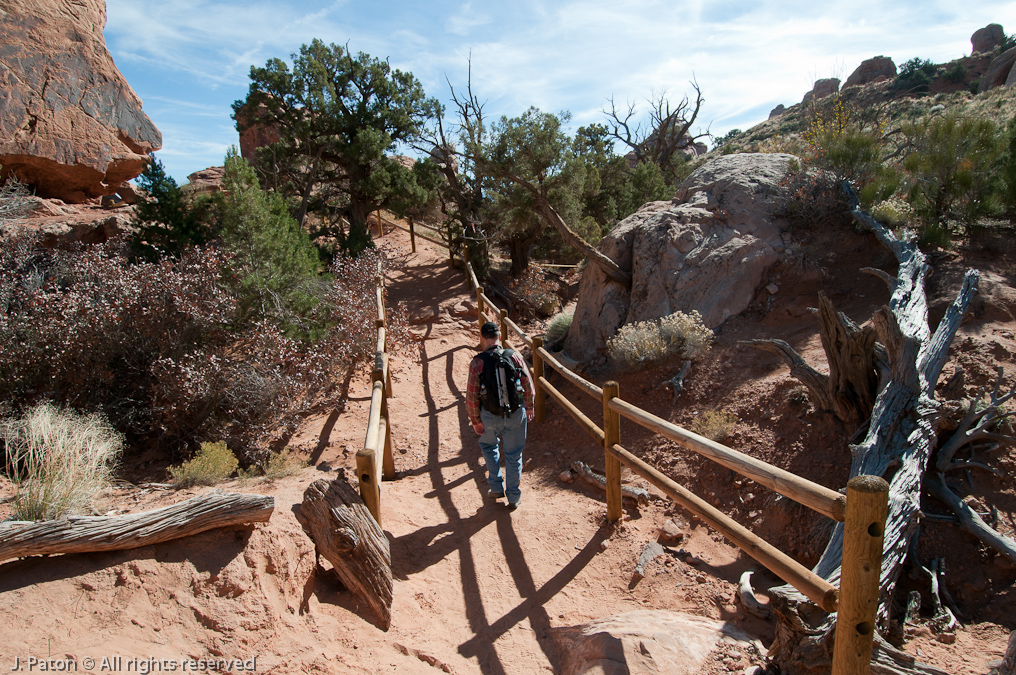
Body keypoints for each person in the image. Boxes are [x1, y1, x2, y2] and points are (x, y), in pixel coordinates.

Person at [466, 321, 535, 510]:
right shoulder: (515, 357)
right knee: (514, 454)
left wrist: (475, 420)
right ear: (500, 337)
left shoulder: (477, 362)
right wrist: (529, 406)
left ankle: (496, 487)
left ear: (482, 338)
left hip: (488, 415)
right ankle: (513, 496)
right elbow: (527, 384)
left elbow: (471, 396)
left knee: (489, 446)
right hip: (514, 413)